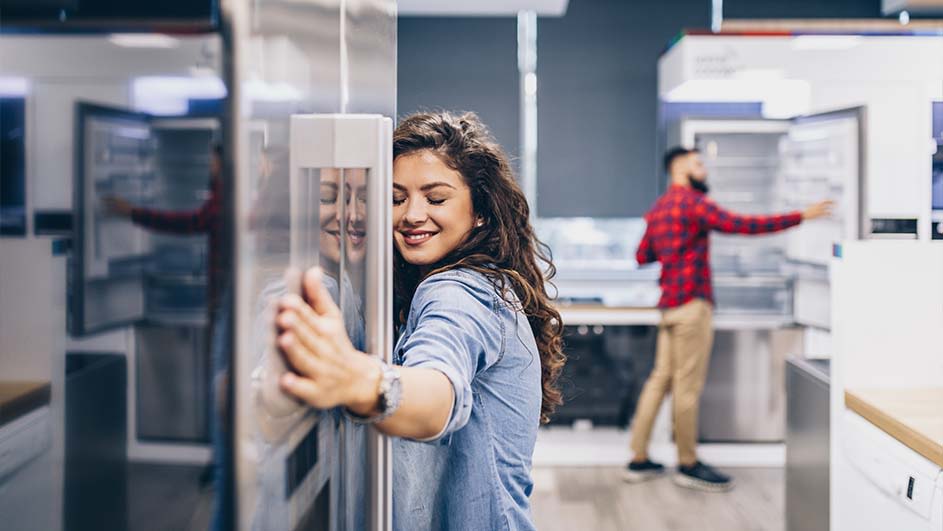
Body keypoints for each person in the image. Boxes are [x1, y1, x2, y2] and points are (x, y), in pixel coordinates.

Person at [273, 111, 565, 530]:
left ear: (479, 210)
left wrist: (364, 383)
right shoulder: (441, 286)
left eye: (435, 198)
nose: (411, 214)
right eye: (395, 198)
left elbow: (438, 392)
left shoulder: (457, 291)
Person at [624, 146, 833, 492]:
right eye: (697, 163)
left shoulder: (659, 208)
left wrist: (674, 250)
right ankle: (688, 463)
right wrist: (801, 216)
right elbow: (743, 225)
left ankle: (638, 458)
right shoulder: (693, 203)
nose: (703, 169)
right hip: (692, 305)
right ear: (679, 168)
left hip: (669, 306)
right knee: (686, 388)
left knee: (660, 380)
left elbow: (642, 255)